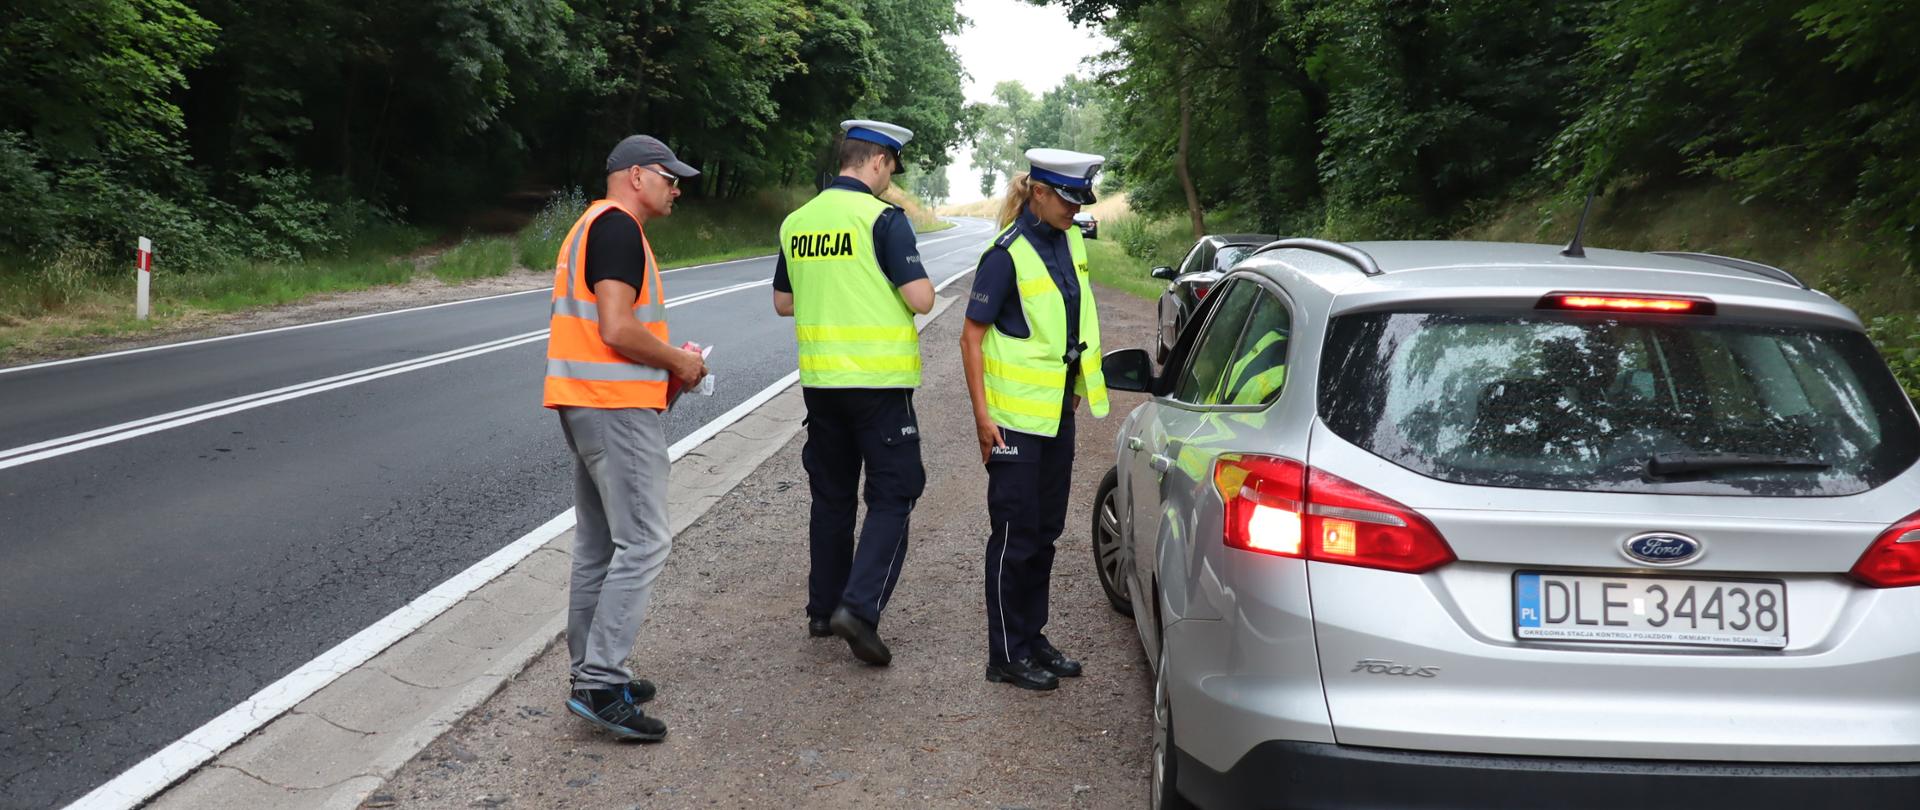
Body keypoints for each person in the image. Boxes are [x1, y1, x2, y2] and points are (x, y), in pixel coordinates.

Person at [544, 134, 707, 740]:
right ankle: (601, 683)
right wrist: (680, 363)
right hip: (614, 408)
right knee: (644, 543)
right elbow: (616, 327)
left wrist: (664, 362)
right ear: (636, 175)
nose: (677, 187)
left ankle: (590, 669)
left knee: (598, 546)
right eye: (669, 176)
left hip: (584, 402)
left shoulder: (592, 225)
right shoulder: (617, 229)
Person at [773, 120, 935, 666]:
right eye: (891, 168)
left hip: (821, 385)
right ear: (878, 162)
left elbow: (783, 301)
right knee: (896, 492)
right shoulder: (883, 219)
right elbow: (921, 298)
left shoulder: (798, 221)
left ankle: (822, 609)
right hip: (878, 384)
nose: (890, 178)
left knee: (832, 494)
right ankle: (859, 610)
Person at [959, 148, 1110, 691]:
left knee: (1045, 532)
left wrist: (1072, 390)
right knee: (1014, 535)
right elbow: (970, 338)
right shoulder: (1004, 255)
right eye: (1067, 199)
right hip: (1012, 422)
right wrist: (982, 417)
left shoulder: (1068, 240)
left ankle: (1032, 635)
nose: (1075, 210)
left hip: (1055, 417)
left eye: (1079, 200)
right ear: (1039, 194)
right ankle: (1005, 652)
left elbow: (1068, 324)